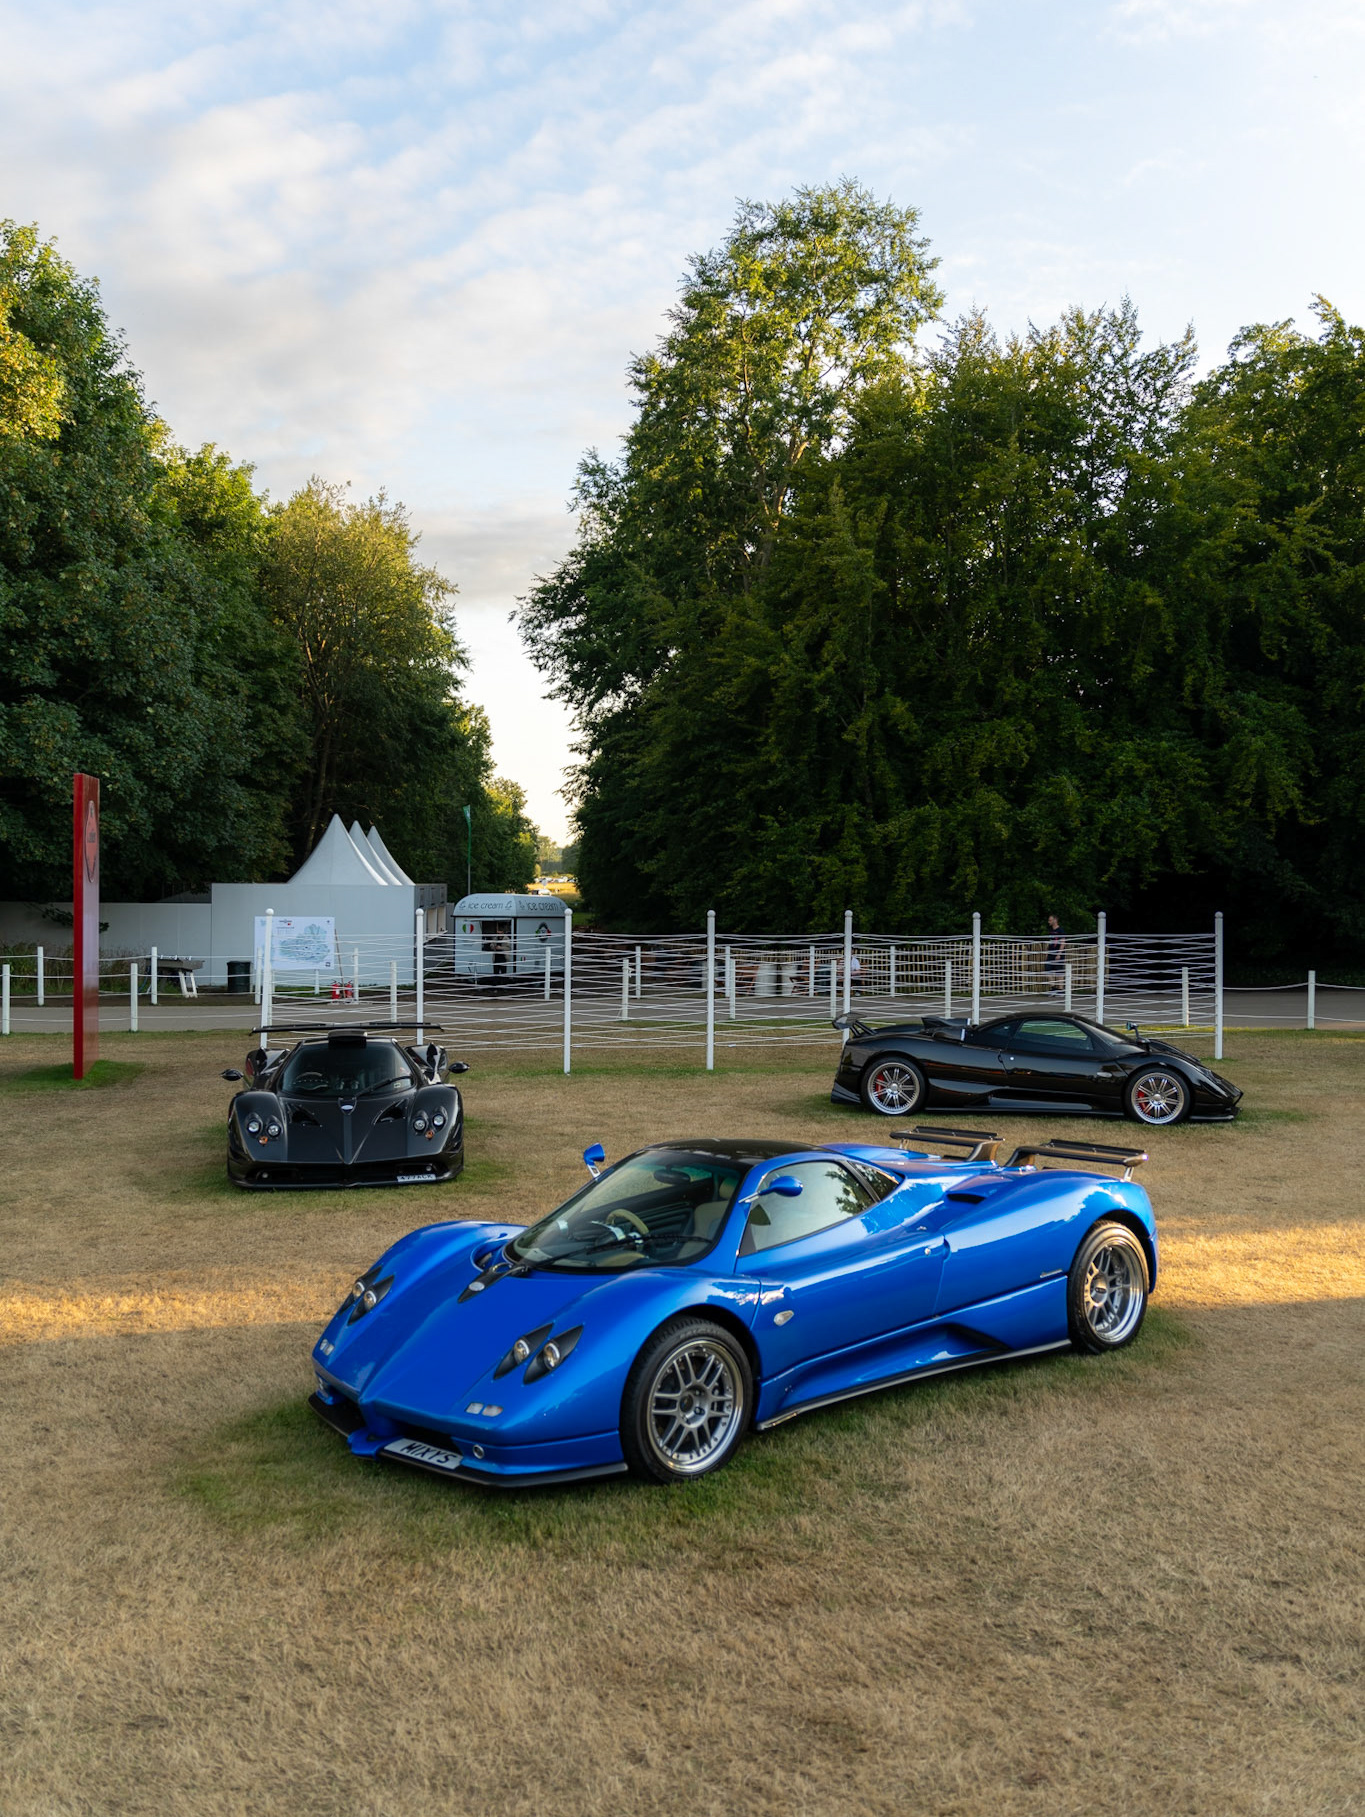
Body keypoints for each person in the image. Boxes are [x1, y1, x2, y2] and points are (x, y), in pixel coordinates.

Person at [1043, 914, 1066, 993]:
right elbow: (1050, 942)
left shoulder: (1060, 930)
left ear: (1055, 920)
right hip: (1051, 953)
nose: (1049, 922)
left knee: (1059, 971)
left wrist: (1059, 954)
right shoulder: (1051, 931)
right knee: (1047, 969)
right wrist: (1047, 951)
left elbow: (1063, 942)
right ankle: (1053, 987)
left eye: (1050, 920)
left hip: (1058, 953)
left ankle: (1060, 989)